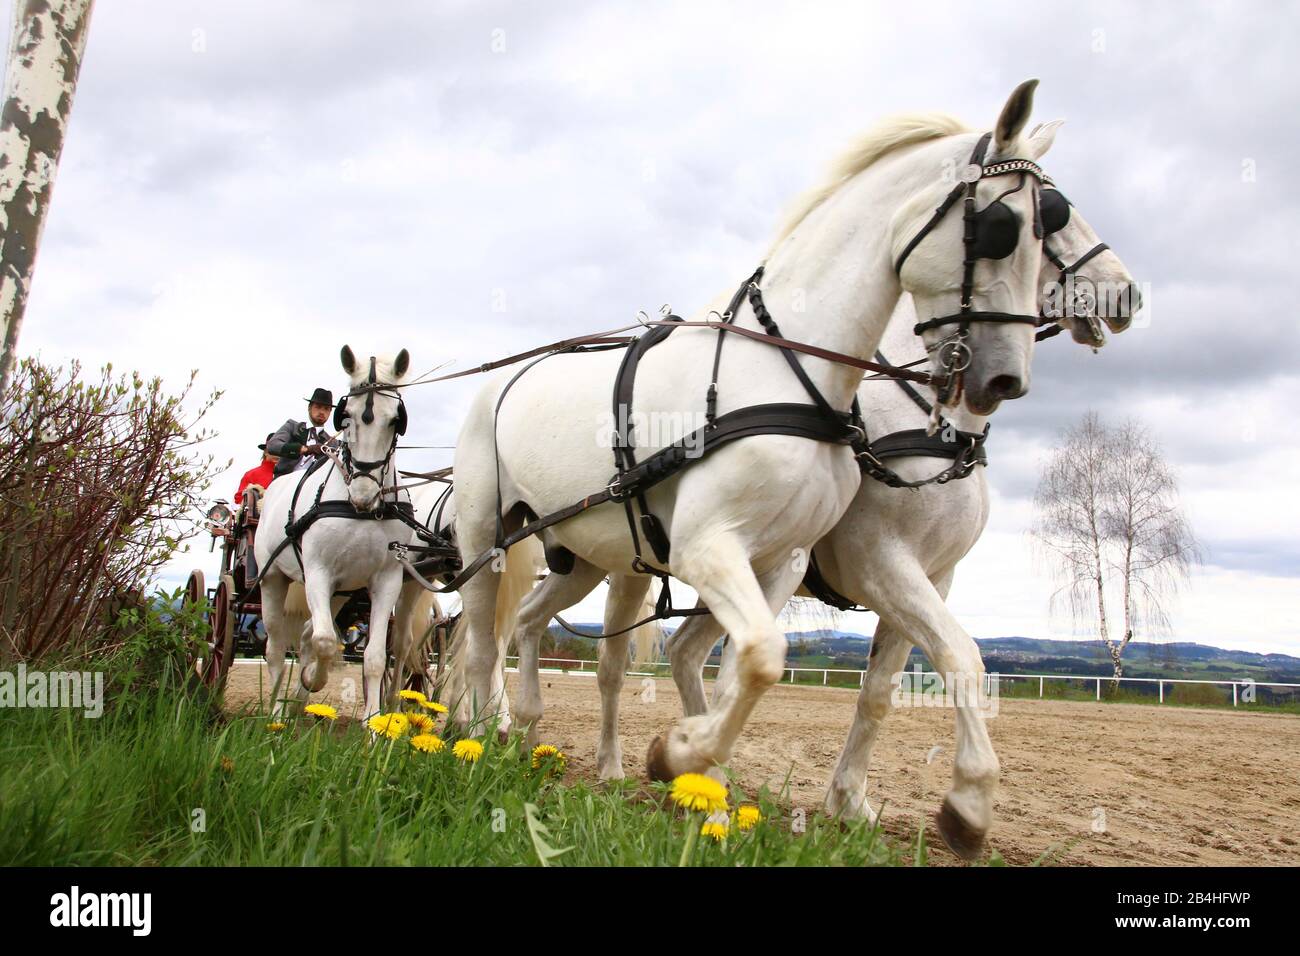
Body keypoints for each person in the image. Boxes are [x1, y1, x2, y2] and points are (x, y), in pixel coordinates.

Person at [267, 387, 334, 478]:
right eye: (318, 407)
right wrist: (305, 449)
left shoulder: (332, 442)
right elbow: (273, 445)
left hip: (314, 487)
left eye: (326, 409)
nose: (322, 412)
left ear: (330, 412)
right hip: (285, 483)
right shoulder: (292, 426)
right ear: (309, 407)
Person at [233, 434, 279, 502]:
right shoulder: (251, 474)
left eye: (281, 450)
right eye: (274, 449)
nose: (277, 453)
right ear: (266, 452)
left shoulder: (291, 474)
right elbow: (239, 500)